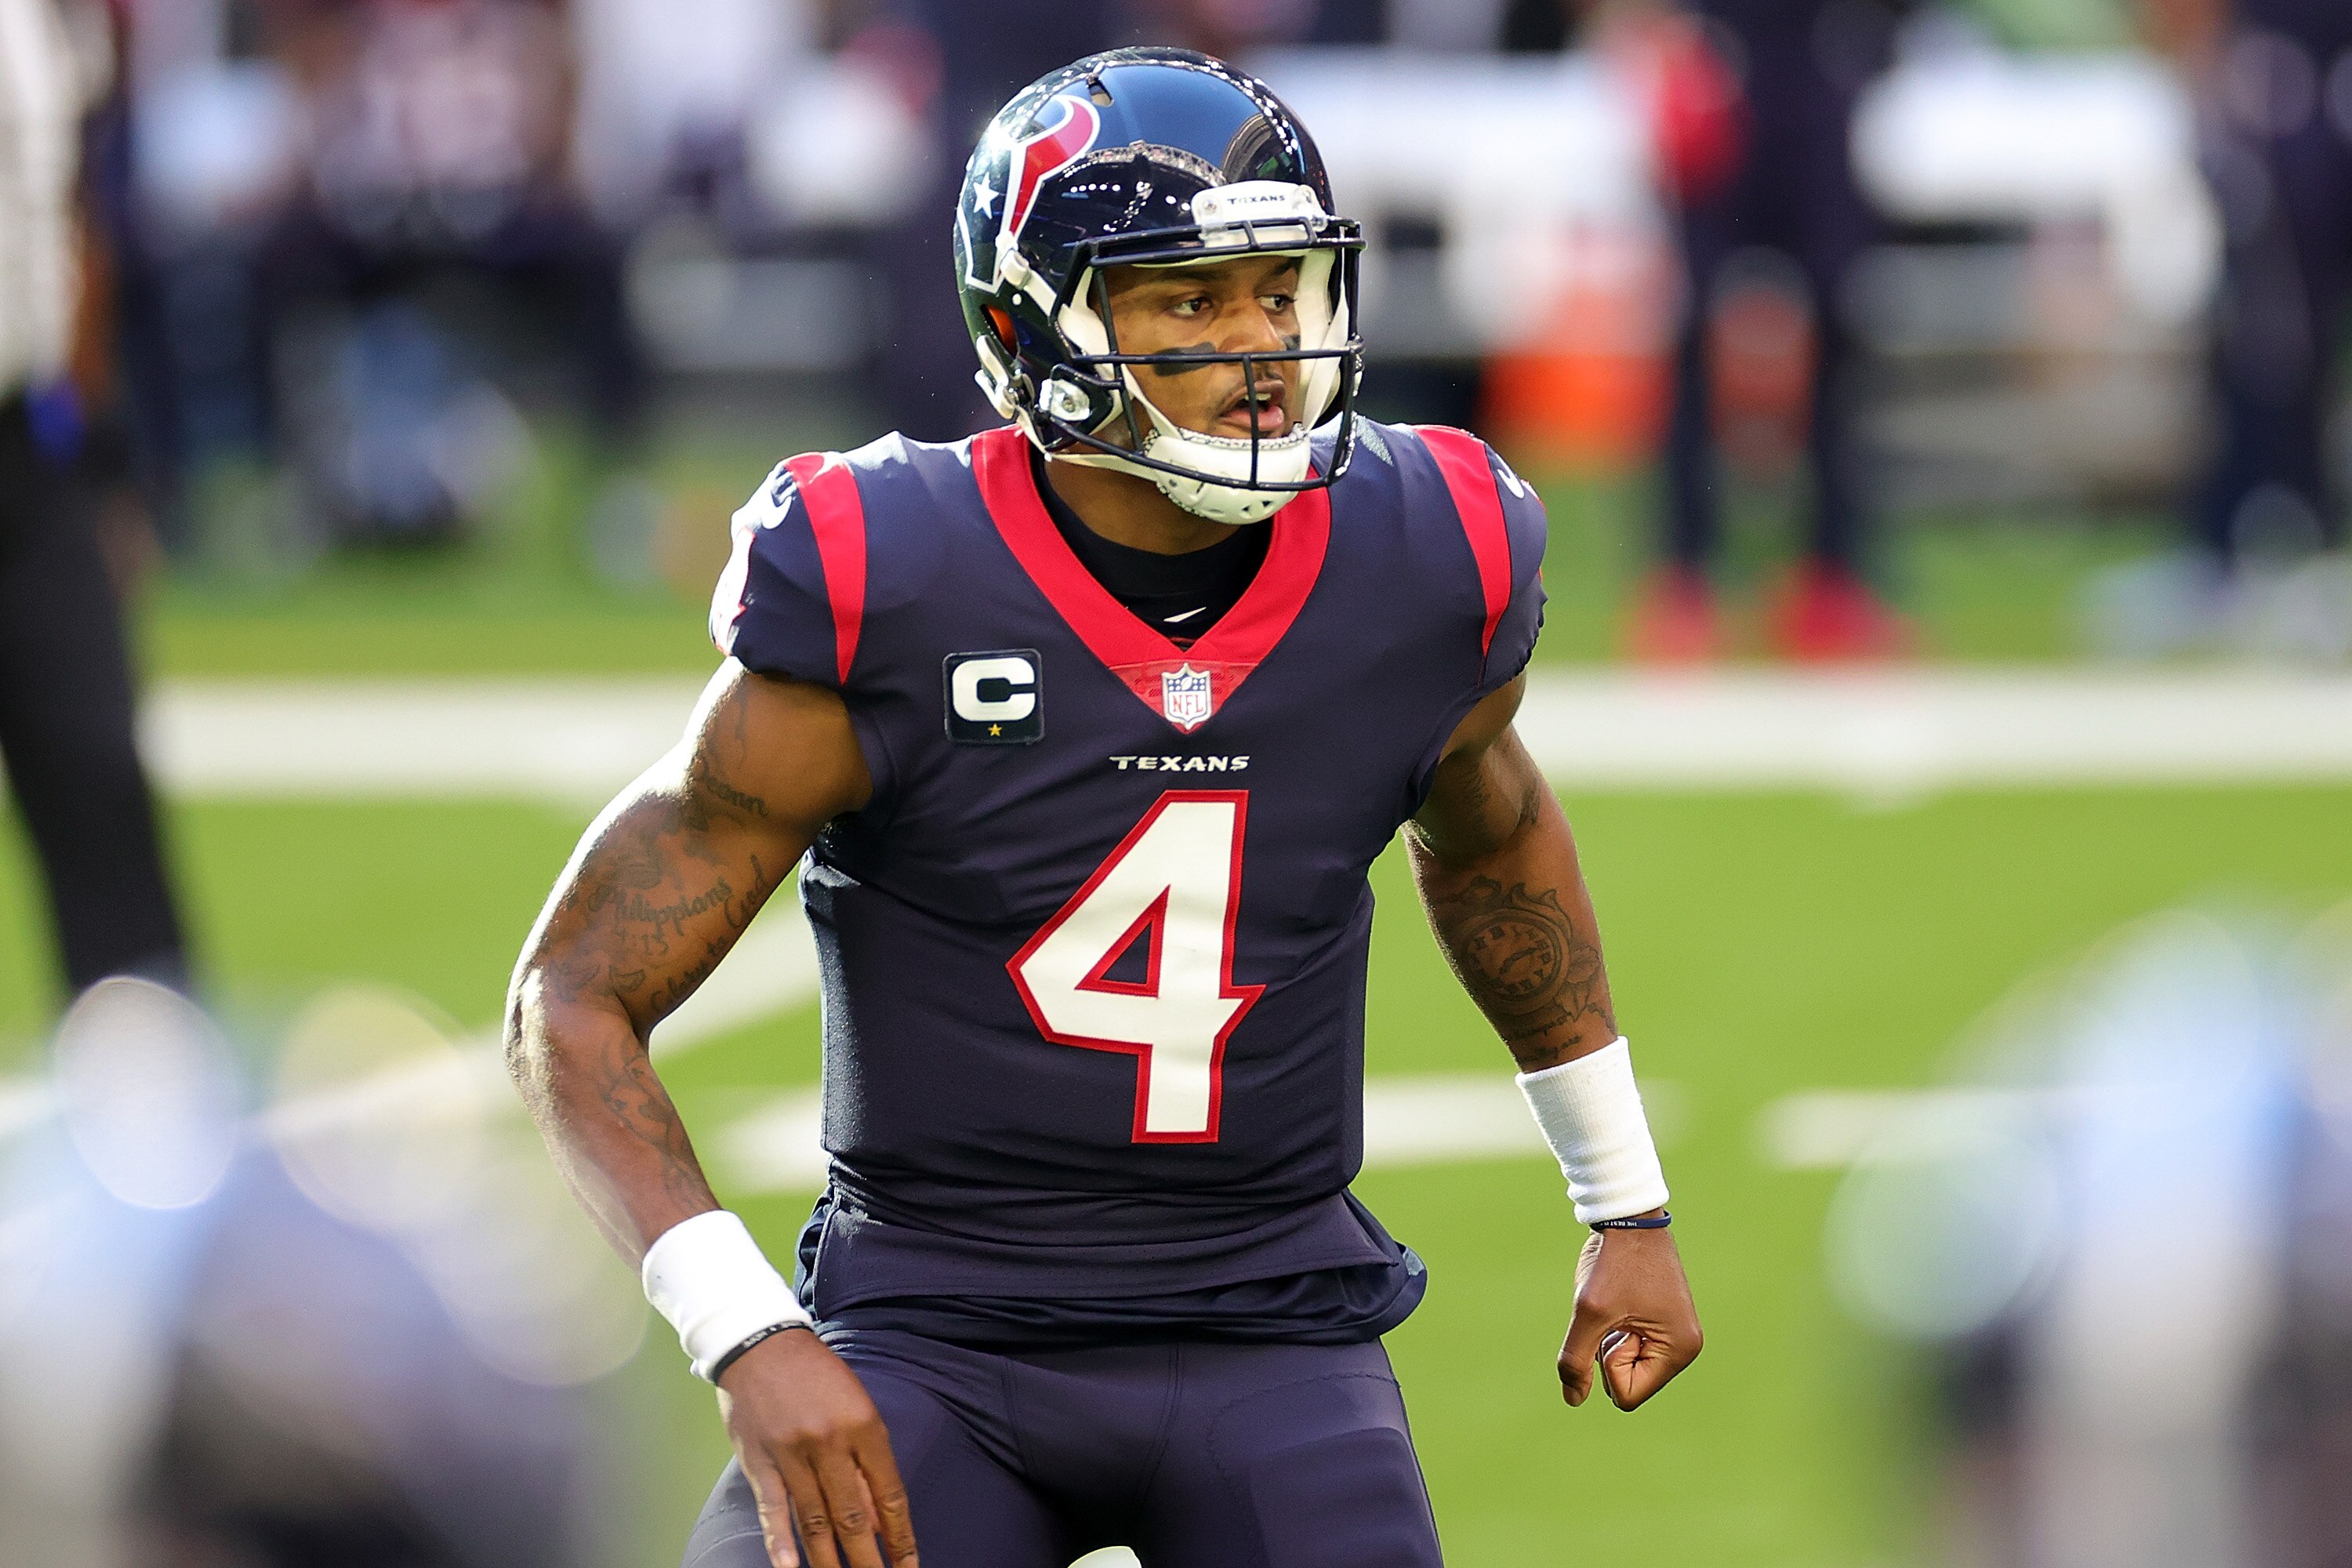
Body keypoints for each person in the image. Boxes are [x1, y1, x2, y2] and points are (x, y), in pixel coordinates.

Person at [507, 49, 1701, 1568]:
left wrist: (1626, 1202)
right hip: (933, 1326)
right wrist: (748, 1334)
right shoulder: (890, 574)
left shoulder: (1426, 554)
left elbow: (1492, 835)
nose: (1264, 345)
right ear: (1038, 323)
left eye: (1279, 289)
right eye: (1190, 302)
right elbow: (575, 994)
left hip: (1270, 1324)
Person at [1613, 0, 1911, 662]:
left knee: (1840, 338)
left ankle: (1832, 582)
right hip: (1721, 66)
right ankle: (1685, 585)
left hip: (1818, 67)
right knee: (1690, 342)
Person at [0, 0, 188, 997]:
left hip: (28, 447)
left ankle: (161, 1124)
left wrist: (106, 465)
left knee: (97, 773)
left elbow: (75, 229)